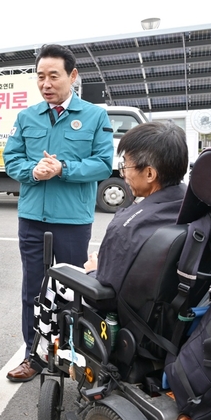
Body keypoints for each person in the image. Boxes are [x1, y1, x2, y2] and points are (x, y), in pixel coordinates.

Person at [2, 44, 114, 382]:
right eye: (40, 77)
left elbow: (102, 163)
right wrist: (32, 172)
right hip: (33, 218)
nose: (46, 83)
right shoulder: (27, 117)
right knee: (33, 290)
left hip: (72, 221)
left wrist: (62, 168)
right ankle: (33, 356)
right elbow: (12, 159)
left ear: (73, 76)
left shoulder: (94, 116)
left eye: (54, 76)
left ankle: (71, 355)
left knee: (72, 291)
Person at [83, 122, 188, 294]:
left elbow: (105, 295)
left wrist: (93, 271)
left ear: (149, 174)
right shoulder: (201, 210)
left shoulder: (127, 226)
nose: (123, 174)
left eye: (125, 165)